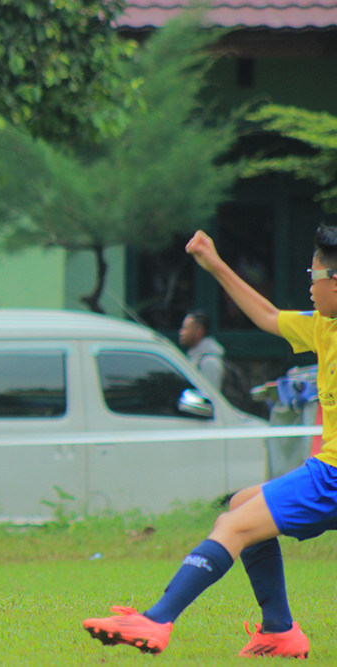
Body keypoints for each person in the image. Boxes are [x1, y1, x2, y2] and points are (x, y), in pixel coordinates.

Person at [82, 226, 337, 658]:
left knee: (232, 527)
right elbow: (267, 316)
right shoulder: (323, 327)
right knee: (240, 506)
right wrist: (215, 264)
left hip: (331, 475)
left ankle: (157, 619)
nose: (309, 288)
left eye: (312, 277)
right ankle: (279, 631)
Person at [179, 309, 225, 391]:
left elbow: (210, 395)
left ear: (199, 331)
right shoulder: (195, 356)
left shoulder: (209, 362)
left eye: (185, 328)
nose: (181, 332)